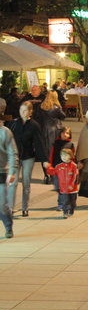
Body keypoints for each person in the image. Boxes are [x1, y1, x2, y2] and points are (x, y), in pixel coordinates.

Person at [8, 101, 47, 217]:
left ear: (30, 112)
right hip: (15, 157)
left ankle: (25, 207)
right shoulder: (14, 123)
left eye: (25, 111)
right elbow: (8, 140)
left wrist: (44, 159)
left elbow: (39, 143)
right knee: (13, 183)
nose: (23, 113)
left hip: (28, 157)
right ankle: (10, 207)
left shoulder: (34, 125)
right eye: (21, 110)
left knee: (26, 182)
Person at [0, 100, 19, 238]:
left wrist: (12, 171)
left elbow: (13, 153)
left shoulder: (5, 133)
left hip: (1, 171)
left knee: (2, 204)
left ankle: (8, 225)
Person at [46, 143, 79, 218]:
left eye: (66, 155)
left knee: (73, 202)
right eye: (62, 156)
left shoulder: (73, 166)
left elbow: (75, 176)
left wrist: (72, 184)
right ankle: (65, 212)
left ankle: (71, 209)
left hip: (72, 189)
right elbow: (53, 172)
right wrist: (48, 168)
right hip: (63, 189)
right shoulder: (59, 166)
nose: (63, 157)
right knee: (65, 201)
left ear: (71, 156)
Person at [39, 91, 66, 181]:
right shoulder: (56, 107)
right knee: (55, 152)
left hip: (45, 130)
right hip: (55, 130)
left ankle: (46, 175)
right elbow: (63, 116)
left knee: (46, 152)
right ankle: (54, 173)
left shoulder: (42, 107)